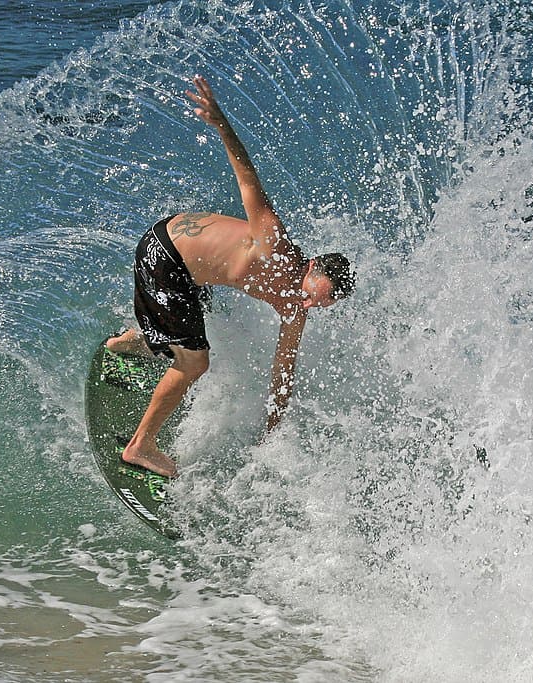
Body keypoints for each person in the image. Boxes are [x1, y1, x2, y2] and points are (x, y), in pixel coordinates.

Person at [106, 75, 355, 478]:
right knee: (194, 363)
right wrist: (221, 123)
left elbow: (282, 373)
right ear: (311, 267)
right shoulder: (275, 244)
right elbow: (247, 179)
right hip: (165, 254)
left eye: (319, 305)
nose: (308, 303)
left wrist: (271, 435)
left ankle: (129, 344)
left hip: (186, 276)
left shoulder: (295, 310)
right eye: (314, 293)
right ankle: (141, 447)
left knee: (191, 327)